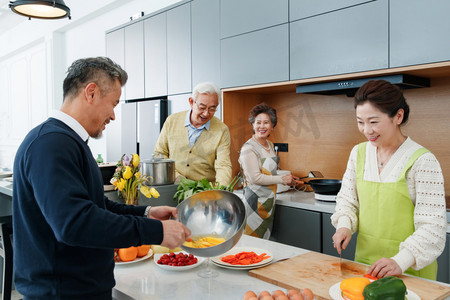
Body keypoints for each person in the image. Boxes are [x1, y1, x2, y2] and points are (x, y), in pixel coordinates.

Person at [12, 57, 191, 300]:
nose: (114, 116)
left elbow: (96, 205)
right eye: (114, 104)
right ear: (91, 93)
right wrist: (156, 231)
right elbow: (75, 223)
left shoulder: (68, 141)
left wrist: (146, 213)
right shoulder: (51, 144)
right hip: (63, 294)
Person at [331, 80, 446, 280]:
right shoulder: (358, 153)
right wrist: (344, 225)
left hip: (411, 273)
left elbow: (433, 228)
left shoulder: (422, 160)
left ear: (398, 116)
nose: (367, 130)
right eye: (360, 122)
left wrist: (400, 261)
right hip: (367, 269)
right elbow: (348, 200)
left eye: (373, 122)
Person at [238, 103, 300, 239]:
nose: (262, 126)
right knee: (252, 243)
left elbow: (270, 172)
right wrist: (282, 180)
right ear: (252, 125)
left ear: (272, 126)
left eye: (266, 123)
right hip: (254, 204)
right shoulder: (249, 148)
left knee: (265, 242)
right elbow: (255, 178)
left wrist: (288, 178)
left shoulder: (270, 145)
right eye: (258, 122)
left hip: (268, 202)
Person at [154, 82, 232, 185]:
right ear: (191, 102)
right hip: (172, 187)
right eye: (202, 107)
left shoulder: (222, 130)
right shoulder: (172, 121)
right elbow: (160, 154)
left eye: (212, 109)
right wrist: (176, 176)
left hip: (203, 192)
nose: (206, 113)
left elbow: (223, 165)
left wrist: (221, 190)